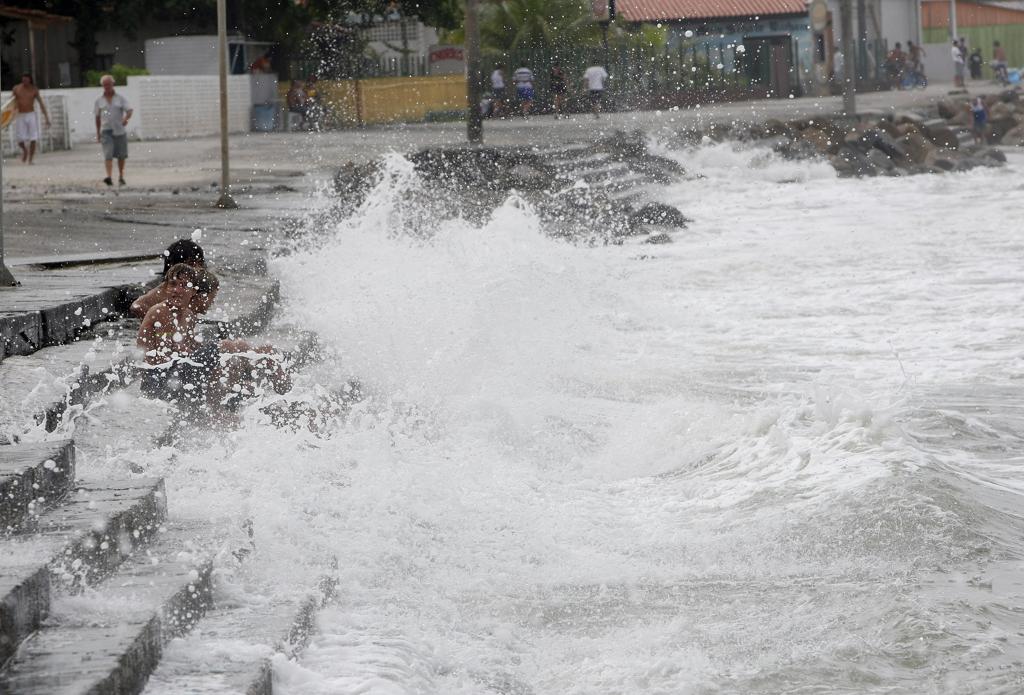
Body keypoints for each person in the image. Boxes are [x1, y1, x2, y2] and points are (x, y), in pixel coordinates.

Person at [137, 264, 290, 413]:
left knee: (243, 347)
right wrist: (218, 353)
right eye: (173, 285)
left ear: (193, 291)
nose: (177, 290)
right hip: (158, 381)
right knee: (227, 349)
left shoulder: (187, 315)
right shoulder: (161, 312)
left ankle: (283, 394)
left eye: (184, 286)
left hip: (176, 373)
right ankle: (217, 409)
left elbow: (189, 349)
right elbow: (169, 356)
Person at [130, 239, 206, 319]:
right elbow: (137, 306)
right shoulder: (168, 286)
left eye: (200, 263)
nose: (198, 269)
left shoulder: (193, 284)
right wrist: (161, 323)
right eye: (191, 264)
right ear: (174, 266)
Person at [94, 74, 133, 186]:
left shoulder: (120, 98)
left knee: (121, 155)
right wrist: (98, 133)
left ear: (112, 84)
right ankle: (109, 177)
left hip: (119, 130)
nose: (107, 87)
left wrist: (126, 119)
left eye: (109, 84)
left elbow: (129, 110)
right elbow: (97, 118)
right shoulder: (99, 101)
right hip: (106, 131)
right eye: (105, 85)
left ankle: (121, 176)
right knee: (108, 154)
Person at [11, 73, 50, 164]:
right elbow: (11, 103)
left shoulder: (34, 90)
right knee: (19, 139)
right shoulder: (16, 89)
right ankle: (25, 150)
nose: (24, 82)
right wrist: (10, 115)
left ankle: (30, 159)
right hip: (20, 115)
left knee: (33, 138)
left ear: (30, 80)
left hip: (30, 115)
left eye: (26, 80)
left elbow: (41, 104)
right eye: (23, 80)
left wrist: (46, 117)